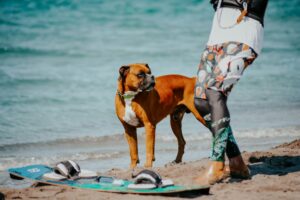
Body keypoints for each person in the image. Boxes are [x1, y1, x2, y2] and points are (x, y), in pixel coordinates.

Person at [194, 0, 268, 184]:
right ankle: (236, 162)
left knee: (215, 91)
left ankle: (217, 164)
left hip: (244, 34)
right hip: (217, 36)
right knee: (201, 101)